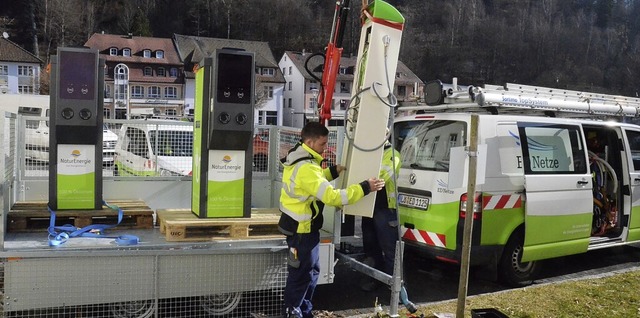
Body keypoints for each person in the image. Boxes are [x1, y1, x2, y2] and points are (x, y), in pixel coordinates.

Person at [278, 121, 385, 318]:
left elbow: (312, 183)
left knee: (311, 272)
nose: (326, 148)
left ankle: (303, 311)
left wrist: (333, 172)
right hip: (303, 231)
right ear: (309, 142)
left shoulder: (301, 158)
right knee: (302, 275)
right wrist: (365, 187)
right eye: (323, 144)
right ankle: (293, 313)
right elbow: (332, 197)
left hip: (303, 228)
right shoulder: (307, 167)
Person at [361, 138, 401, 291]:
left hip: (385, 210)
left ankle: (396, 291)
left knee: (390, 251)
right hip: (369, 209)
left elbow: (381, 177)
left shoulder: (392, 154)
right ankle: (374, 281)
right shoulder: (371, 155)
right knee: (371, 249)